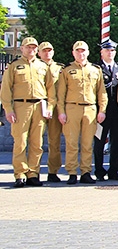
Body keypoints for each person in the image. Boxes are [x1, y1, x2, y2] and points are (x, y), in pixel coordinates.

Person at [1, 37, 56, 187]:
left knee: (37, 143)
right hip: (21, 107)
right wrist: (8, 109)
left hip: (39, 105)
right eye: (28, 47)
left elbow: (50, 89)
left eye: (33, 48)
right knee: (20, 142)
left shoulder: (43, 67)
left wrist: (50, 107)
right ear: (22, 49)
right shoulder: (14, 66)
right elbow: (6, 89)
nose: (31, 50)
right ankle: (20, 174)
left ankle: (33, 173)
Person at [58, 41, 108, 185]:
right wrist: (61, 112)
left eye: (83, 50)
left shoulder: (95, 70)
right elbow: (61, 94)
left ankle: (86, 172)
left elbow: (101, 93)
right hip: (72, 108)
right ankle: (72, 173)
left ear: (88, 52)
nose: (81, 53)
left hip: (90, 109)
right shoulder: (67, 70)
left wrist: (102, 110)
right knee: (72, 143)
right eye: (78, 51)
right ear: (73, 53)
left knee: (87, 144)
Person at [94, 40, 118, 181]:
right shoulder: (96, 68)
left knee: (116, 142)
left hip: (117, 113)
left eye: (112, 50)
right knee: (99, 141)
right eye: (107, 50)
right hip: (102, 113)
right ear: (102, 52)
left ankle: (114, 170)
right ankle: (99, 171)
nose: (110, 53)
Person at [38, 42, 66, 183]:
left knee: (54, 142)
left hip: (55, 109)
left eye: (49, 50)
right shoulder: (35, 67)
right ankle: (33, 171)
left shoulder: (61, 69)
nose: (47, 53)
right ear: (39, 53)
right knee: (35, 141)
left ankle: (53, 171)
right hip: (39, 106)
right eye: (44, 51)